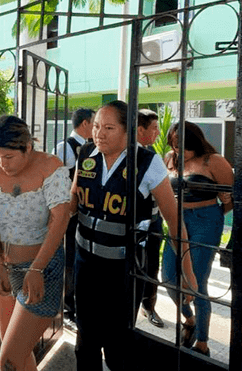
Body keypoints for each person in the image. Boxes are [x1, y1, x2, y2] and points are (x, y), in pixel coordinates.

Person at [70, 100, 196, 370]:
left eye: (108, 127)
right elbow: (72, 202)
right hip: (85, 263)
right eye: (95, 126)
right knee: (86, 340)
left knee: (117, 343)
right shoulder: (86, 154)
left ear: (128, 132)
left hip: (123, 269)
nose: (98, 133)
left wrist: (186, 273)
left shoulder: (148, 164)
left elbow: (174, 222)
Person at [0, 115, 71, 370]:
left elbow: (60, 219)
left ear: (27, 147)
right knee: (16, 354)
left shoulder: (51, 167)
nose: (1, 163)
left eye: (8, 157)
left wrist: (37, 268)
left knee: (9, 360)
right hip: (3, 269)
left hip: (40, 271)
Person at [161, 120, 234, 356]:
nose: (177, 147)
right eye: (173, 142)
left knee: (197, 282)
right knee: (170, 276)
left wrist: (215, 214)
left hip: (206, 220)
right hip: (176, 219)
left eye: (181, 142)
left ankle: (203, 341)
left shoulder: (212, 160)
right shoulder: (169, 159)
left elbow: (232, 197)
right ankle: (189, 319)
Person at [53, 107, 95, 326]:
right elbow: (55, 180)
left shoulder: (93, 148)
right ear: (85, 123)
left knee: (83, 256)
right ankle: (68, 307)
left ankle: (80, 302)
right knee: (70, 258)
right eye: (95, 123)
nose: (97, 129)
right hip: (69, 213)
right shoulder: (66, 147)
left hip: (86, 213)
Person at [134, 109, 165, 328]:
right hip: (133, 224)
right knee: (134, 267)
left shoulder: (153, 155)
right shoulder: (131, 156)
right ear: (140, 130)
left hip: (154, 221)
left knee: (152, 266)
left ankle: (149, 306)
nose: (158, 132)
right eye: (154, 128)